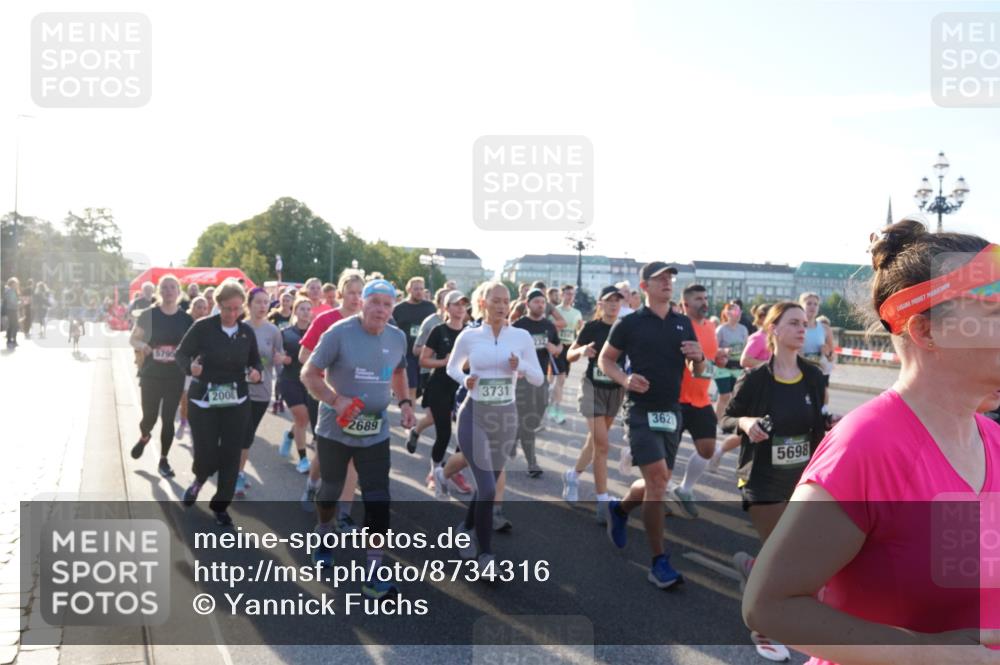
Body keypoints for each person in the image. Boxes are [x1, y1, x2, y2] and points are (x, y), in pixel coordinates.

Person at [743, 219, 1000, 665]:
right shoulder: (867, 445)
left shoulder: (992, 438)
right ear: (927, 331)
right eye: (996, 315)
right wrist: (927, 653)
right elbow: (769, 605)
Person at [720, 301, 831, 660]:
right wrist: (746, 422)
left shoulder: (813, 376)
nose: (802, 329)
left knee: (789, 553)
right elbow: (726, 419)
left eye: (804, 324)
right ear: (774, 330)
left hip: (801, 478)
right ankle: (763, 628)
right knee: (784, 553)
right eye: (794, 323)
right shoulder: (756, 379)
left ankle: (752, 567)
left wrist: (830, 424)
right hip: (761, 478)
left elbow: (818, 421)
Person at [300, 279, 415, 600]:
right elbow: (308, 373)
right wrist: (335, 400)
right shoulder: (338, 332)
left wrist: (406, 403)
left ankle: (373, 574)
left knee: (379, 499)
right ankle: (324, 535)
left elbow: (399, 372)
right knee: (331, 490)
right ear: (362, 303)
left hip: (375, 430)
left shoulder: (397, 337)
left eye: (387, 304)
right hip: (335, 429)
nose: (380, 309)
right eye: (374, 302)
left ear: (393, 308)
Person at [598, 261, 707, 588]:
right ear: (644, 286)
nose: (668, 283)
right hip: (640, 410)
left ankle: (620, 510)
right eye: (660, 279)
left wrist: (699, 358)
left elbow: (698, 371)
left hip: (671, 410)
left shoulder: (682, 322)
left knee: (658, 482)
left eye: (670, 278)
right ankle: (659, 562)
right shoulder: (630, 323)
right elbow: (606, 359)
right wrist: (625, 379)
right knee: (658, 480)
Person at [446, 281, 544, 569]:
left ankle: (465, 529)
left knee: (485, 486)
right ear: (483, 303)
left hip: (506, 418)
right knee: (489, 489)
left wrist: (520, 366)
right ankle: (486, 556)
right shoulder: (469, 336)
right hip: (474, 415)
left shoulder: (521, 337)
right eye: (496, 300)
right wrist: (465, 379)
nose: (502, 306)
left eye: (506, 300)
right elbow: (452, 367)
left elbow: (538, 377)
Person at [175, 279, 262, 526]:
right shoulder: (203, 327)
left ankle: (221, 505)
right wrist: (191, 368)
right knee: (206, 452)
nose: (232, 314)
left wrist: (256, 372)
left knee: (232, 454)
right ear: (218, 305)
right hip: (204, 400)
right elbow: (181, 354)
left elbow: (255, 361)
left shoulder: (246, 332)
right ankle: (200, 478)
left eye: (237, 309)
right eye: (227, 308)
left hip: (236, 400)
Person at [296, 269, 366, 525]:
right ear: (340, 293)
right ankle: (312, 484)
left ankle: (344, 513)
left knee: (353, 455)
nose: (356, 298)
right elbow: (304, 355)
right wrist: (327, 374)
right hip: (329, 395)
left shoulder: (368, 321)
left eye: (360, 293)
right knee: (326, 452)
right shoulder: (326, 320)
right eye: (351, 293)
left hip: (359, 397)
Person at [561, 286, 627, 523]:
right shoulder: (592, 327)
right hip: (592, 388)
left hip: (615, 390)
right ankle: (603, 500)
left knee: (595, 441)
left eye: (617, 300)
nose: (614, 304)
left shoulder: (625, 328)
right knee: (603, 445)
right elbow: (569, 355)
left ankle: (572, 475)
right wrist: (582, 350)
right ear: (601, 304)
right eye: (609, 300)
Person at [668, 283, 727, 518]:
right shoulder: (679, 326)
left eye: (705, 298)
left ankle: (684, 489)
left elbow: (709, 359)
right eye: (698, 299)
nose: (704, 302)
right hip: (676, 399)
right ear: (685, 304)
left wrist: (719, 359)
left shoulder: (711, 326)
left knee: (707, 449)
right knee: (666, 456)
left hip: (701, 400)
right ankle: (661, 495)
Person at [129, 275, 194, 478]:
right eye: (164, 287)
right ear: (159, 291)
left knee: (168, 419)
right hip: (151, 374)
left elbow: (192, 346)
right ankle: (145, 436)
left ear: (178, 291)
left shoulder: (186, 319)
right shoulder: (149, 315)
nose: (168, 291)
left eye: (172, 287)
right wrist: (143, 345)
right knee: (149, 418)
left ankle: (164, 459)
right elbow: (133, 339)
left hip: (175, 376)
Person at [420, 290, 470, 498]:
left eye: (463, 304)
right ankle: (434, 472)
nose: (460, 308)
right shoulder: (438, 331)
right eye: (456, 304)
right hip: (440, 386)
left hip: (463, 388)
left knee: (466, 437)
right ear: (446, 308)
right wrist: (444, 362)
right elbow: (423, 360)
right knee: (444, 434)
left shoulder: (470, 332)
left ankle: (453, 471)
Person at [237, 287, 284, 497]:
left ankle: (236, 472)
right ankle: (236, 473)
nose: (263, 306)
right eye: (258, 302)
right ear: (249, 304)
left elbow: (279, 359)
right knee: (240, 433)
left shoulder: (273, 331)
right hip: (238, 390)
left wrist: (281, 363)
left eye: (266, 302)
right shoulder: (239, 327)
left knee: (247, 435)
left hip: (262, 391)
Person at [512, 288, 562, 477]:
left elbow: (559, 346)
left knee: (535, 419)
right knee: (528, 421)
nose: (540, 305)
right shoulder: (518, 326)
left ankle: (514, 437)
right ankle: (532, 464)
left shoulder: (549, 325)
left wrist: (555, 349)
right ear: (527, 304)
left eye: (543, 302)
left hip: (541, 379)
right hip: (522, 380)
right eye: (536, 302)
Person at [277, 297, 318, 510]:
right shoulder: (285, 333)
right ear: (295, 311)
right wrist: (281, 359)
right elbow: (275, 355)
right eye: (301, 308)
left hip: (309, 381)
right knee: (302, 417)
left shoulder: (317, 333)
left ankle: (290, 435)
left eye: (308, 309)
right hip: (290, 380)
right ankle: (303, 459)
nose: (305, 312)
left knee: (305, 419)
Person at [405, 287, 449, 456]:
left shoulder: (460, 322)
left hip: (452, 375)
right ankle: (416, 431)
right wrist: (434, 350)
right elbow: (416, 350)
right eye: (446, 300)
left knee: (448, 416)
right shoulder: (431, 322)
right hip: (430, 373)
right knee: (433, 417)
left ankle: (441, 458)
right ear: (440, 303)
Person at [392, 277, 437, 404]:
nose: (419, 292)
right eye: (416, 289)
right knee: (411, 388)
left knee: (422, 390)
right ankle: (409, 414)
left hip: (426, 353)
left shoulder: (430, 307)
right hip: (407, 354)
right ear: (409, 290)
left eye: (421, 289)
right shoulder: (399, 308)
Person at [176, 296, 210, 440]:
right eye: (198, 307)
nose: (201, 311)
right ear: (192, 308)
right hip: (187, 365)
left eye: (204, 308)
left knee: (199, 398)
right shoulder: (185, 322)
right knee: (185, 396)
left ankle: (196, 426)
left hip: (203, 367)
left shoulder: (209, 324)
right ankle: (183, 422)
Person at [549, 284, 583, 425]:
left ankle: (551, 405)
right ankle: (556, 411)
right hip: (557, 347)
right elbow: (549, 329)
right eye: (568, 294)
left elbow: (578, 331)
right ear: (562, 295)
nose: (570, 297)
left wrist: (580, 331)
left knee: (559, 381)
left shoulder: (577, 313)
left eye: (572, 294)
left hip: (569, 348)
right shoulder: (555, 311)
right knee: (560, 379)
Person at [715, 302, 749, 422]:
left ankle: (729, 421)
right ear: (727, 313)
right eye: (736, 311)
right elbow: (712, 349)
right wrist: (723, 350)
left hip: (737, 367)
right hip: (723, 367)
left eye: (740, 311)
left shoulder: (743, 329)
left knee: (735, 396)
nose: (739, 314)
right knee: (724, 396)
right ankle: (718, 422)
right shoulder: (721, 329)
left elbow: (746, 348)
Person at [799, 292, 836, 400]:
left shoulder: (825, 328)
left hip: (818, 372)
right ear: (801, 305)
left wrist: (827, 354)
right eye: (809, 303)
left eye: (816, 304)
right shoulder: (796, 327)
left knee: (820, 402)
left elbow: (832, 357)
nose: (813, 307)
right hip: (799, 372)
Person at [4, 278, 20, 347]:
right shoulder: (10, 291)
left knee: (12, 325)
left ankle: (10, 340)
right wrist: (18, 303)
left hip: (11, 309)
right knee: (14, 325)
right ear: (12, 284)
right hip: (12, 309)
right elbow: (12, 301)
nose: (16, 285)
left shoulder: (10, 290)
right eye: (15, 284)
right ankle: (12, 340)